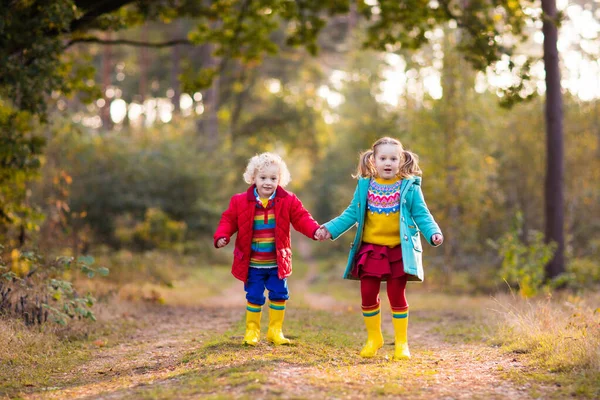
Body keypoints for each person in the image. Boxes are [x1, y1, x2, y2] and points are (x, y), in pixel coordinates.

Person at [316, 137, 443, 360]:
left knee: (396, 294)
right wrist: (329, 229)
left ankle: (402, 343)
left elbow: (422, 214)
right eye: (383, 158)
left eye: (393, 158)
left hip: (398, 250)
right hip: (371, 250)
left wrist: (433, 232)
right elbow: (351, 214)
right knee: (367, 294)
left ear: (401, 160)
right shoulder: (365, 186)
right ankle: (374, 338)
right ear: (373, 160)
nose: (388, 162)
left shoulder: (409, 187)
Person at [214, 152, 321, 346]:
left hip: (277, 263)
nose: (268, 182)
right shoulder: (240, 201)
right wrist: (222, 236)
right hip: (252, 263)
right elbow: (228, 220)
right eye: (263, 178)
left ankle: (275, 331)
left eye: (273, 178)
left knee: (279, 295)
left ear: (280, 180)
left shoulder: (288, 200)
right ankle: (252, 331)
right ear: (253, 178)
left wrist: (315, 231)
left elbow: (301, 218)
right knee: (254, 296)